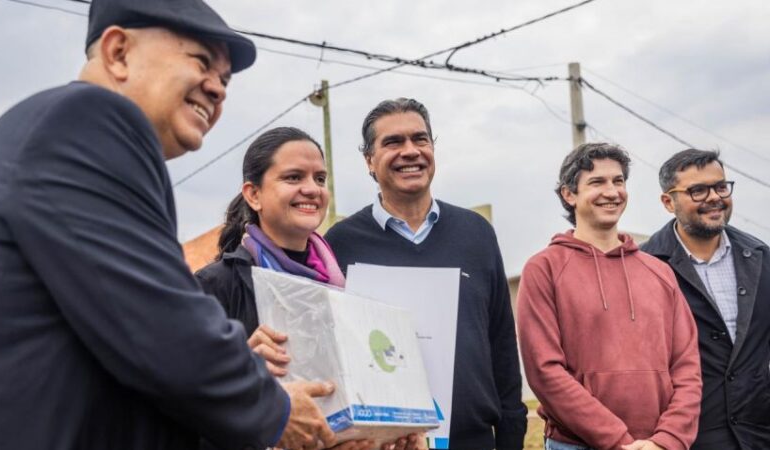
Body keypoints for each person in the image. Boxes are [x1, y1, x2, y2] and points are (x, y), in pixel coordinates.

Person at [0, 1, 335, 449]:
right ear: (119, 52)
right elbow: (157, 320)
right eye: (202, 63)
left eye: (225, 80)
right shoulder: (89, 120)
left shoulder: (78, 131)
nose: (218, 90)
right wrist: (274, 410)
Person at [196, 126, 423, 450]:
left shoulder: (343, 290)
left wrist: (387, 435)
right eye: (293, 177)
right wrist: (241, 375)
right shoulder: (215, 287)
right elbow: (187, 412)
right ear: (253, 194)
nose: (311, 189)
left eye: (319, 178)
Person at [324, 98, 527, 450]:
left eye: (420, 139)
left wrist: (510, 437)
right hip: (381, 444)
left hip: (472, 441)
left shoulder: (476, 233)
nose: (410, 151)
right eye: (392, 142)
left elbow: (502, 345)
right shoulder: (340, 244)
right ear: (369, 161)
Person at [516, 143, 702, 450]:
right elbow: (545, 372)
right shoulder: (544, 269)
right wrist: (617, 441)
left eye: (618, 181)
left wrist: (667, 440)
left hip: (658, 444)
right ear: (569, 194)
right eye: (597, 182)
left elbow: (687, 366)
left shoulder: (659, 271)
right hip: (575, 444)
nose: (612, 191)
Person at [641, 149, 770, 450]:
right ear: (667, 202)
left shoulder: (761, 258)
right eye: (697, 190)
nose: (714, 197)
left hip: (758, 436)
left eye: (721, 186)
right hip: (686, 439)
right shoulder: (645, 267)